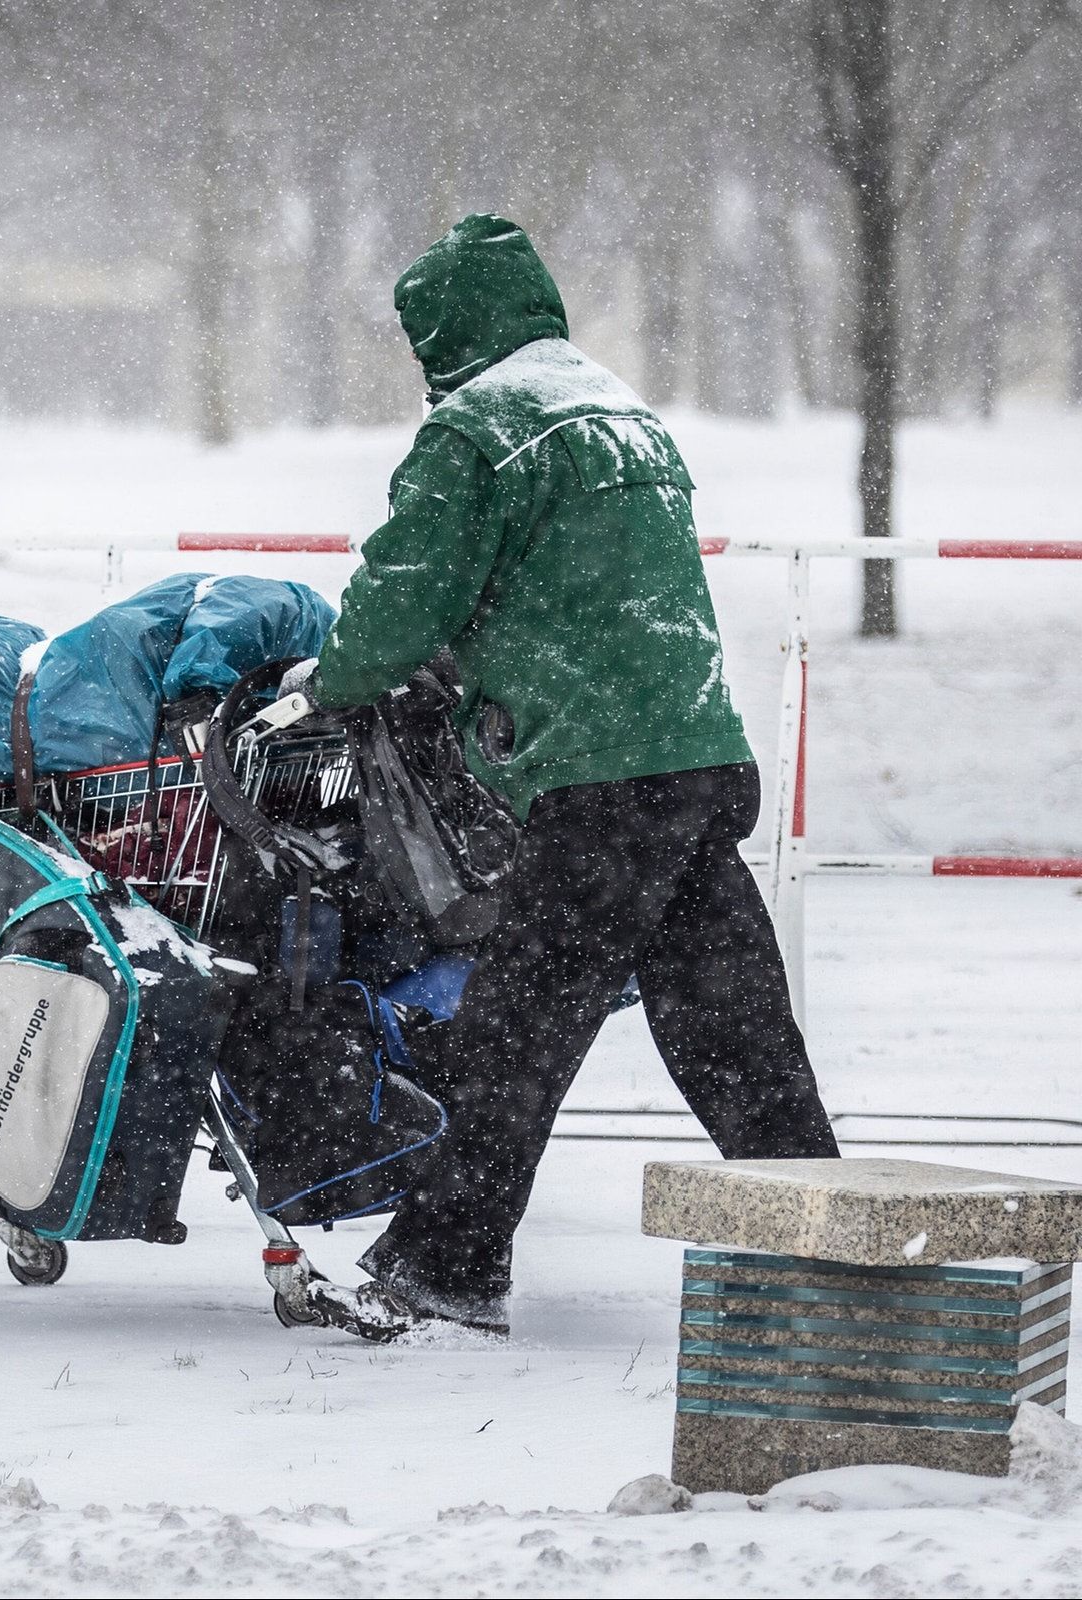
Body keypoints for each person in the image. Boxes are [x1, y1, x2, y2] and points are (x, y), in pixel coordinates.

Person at [287, 213, 839, 1342]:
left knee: (516, 1027)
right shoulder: (622, 412)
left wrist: (333, 679)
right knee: (731, 1022)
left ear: (445, 332)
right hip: (690, 755)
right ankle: (825, 1237)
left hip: (596, 781)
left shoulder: (479, 429)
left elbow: (405, 597)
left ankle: (448, 1263)